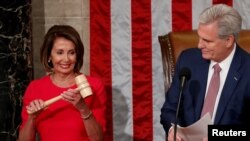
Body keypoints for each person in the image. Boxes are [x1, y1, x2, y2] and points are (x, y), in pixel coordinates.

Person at [160, 4, 250, 141]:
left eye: (207, 41)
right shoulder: (188, 60)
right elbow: (169, 110)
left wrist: (216, 135)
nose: (199, 45)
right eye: (199, 37)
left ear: (228, 40)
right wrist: (173, 130)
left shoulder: (247, 69)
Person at [18, 25, 107, 141]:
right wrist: (32, 118)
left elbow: (98, 139)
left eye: (71, 52)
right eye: (59, 52)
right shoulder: (35, 88)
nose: (66, 59)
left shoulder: (94, 86)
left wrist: (83, 108)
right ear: (49, 56)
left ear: (77, 55)